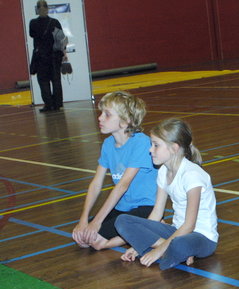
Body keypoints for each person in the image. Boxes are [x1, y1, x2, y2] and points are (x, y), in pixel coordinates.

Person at [115, 118, 218, 270]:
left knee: (180, 244)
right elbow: (157, 213)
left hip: (201, 237)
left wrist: (157, 249)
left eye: (156, 145)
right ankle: (173, 251)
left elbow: (190, 225)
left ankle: (170, 250)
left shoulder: (192, 175)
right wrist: (138, 245)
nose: (151, 150)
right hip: (176, 230)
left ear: (174, 148)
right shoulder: (163, 171)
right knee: (123, 221)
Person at [72, 91, 157, 250]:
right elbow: (96, 184)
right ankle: (144, 230)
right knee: (83, 238)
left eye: (107, 115)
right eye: (101, 113)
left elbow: (123, 185)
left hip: (146, 207)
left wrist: (96, 222)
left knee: (96, 242)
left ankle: (154, 226)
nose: (100, 118)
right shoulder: (107, 144)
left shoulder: (141, 143)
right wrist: (83, 220)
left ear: (125, 122)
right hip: (123, 207)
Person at [29, 1, 64, 112]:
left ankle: (49, 105)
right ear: (48, 8)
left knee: (43, 82)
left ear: (37, 9)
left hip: (41, 58)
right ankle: (57, 104)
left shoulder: (33, 23)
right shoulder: (55, 22)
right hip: (54, 57)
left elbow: (32, 34)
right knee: (56, 81)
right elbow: (61, 39)